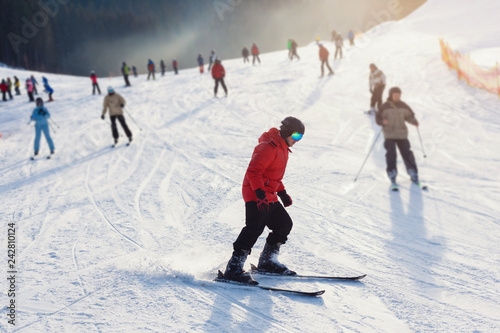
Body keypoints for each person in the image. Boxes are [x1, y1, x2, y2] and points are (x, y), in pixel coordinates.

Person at [221, 117, 305, 284]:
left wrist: (282, 193)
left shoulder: (283, 149)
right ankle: (233, 268)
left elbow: (273, 175)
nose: (297, 141)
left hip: (268, 195)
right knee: (254, 228)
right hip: (255, 194)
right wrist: (259, 194)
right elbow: (254, 172)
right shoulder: (268, 147)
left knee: (284, 224)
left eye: (300, 138)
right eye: (296, 136)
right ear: (288, 132)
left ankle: (267, 262)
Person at [376, 87, 420, 187]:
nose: (397, 97)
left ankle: (413, 172)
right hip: (389, 134)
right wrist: (382, 121)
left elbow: (409, 115)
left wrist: (414, 121)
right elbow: (378, 117)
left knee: (407, 153)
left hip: (402, 134)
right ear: (391, 95)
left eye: (399, 95)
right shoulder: (385, 106)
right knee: (391, 154)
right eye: (395, 95)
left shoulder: (403, 105)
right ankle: (392, 173)